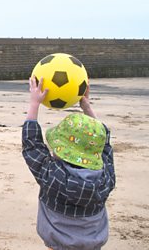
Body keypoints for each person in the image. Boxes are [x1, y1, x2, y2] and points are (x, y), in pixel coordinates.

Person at [22, 77, 116, 250]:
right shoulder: (105, 178)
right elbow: (104, 142)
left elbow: (32, 145)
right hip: (93, 244)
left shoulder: (52, 176)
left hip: (56, 243)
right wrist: (86, 106)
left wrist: (34, 104)